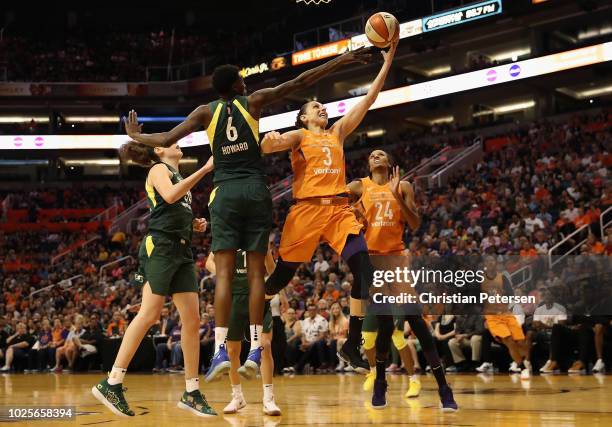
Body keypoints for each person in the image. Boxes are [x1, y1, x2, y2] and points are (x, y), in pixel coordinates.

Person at [124, 48, 372, 383]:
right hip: (254, 190)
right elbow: (300, 80)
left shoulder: (204, 111)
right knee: (258, 274)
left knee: (224, 274)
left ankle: (221, 350)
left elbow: (167, 137)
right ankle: (256, 347)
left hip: (224, 192)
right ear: (239, 85)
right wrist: (342, 60)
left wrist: (136, 135)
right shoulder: (253, 101)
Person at [261, 43, 399, 407]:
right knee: (279, 280)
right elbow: (270, 144)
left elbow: (368, 99)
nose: (321, 108)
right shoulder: (300, 137)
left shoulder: (336, 133)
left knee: (364, 272)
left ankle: (352, 345)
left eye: (322, 106)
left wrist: (388, 61)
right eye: (314, 107)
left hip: (339, 211)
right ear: (304, 118)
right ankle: (254, 306)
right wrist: (269, 141)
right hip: (305, 212)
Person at [92, 140, 216, 417]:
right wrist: (206, 169)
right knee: (149, 314)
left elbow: (173, 205)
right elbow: (170, 196)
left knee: (193, 320)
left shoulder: (178, 175)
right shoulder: (158, 169)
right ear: (159, 150)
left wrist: (193, 223)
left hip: (182, 248)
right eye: (172, 141)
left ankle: (191, 391)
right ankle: (112, 382)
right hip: (160, 246)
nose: (178, 142)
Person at [349, 150, 456, 410]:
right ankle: (381, 384)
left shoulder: (404, 185)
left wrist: (398, 196)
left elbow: (415, 223)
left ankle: (444, 388)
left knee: (416, 321)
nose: (376, 155)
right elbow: (333, 203)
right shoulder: (358, 186)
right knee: (385, 325)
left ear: (389, 162)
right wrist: (352, 215)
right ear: (368, 162)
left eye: (382, 154)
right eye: (372, 154)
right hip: (372, 261)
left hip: (396, 258)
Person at [481, 256, 532, 379]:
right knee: (508, 340)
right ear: (485, 264)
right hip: (493, 317)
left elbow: (510, 296)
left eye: (493, 260)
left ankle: (525, 362)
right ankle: (522, 368)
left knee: (520, 341)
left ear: (496, 264)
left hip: (506, 313)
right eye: (488, 261)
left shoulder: (502, 278)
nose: (491, 263)